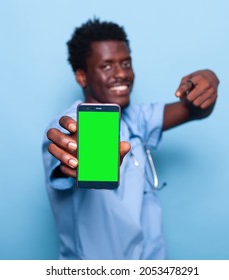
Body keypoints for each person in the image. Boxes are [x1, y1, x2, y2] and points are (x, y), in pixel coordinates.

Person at [42, 18, 219, 260]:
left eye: (126, 63)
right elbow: (67, 155)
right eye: (106, 66)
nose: (122, 74)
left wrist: (209, 80)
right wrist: (78, 159)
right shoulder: (70, 123)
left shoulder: (136, 118)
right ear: (82, 77)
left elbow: (195, 110)